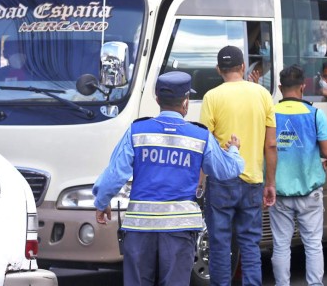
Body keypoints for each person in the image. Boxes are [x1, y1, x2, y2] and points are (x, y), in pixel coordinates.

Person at [92, 71, 245, 286]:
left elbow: (115, 173)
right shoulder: (200, 136)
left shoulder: (137, 131)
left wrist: (101, 201)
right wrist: (234, 151)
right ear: (185, 102)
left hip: (139, 229)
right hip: (179, 230)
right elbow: (228, 170)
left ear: (157, 99)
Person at [200, 45, 277, 286]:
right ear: (243, 67)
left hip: (221, 183)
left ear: (218, 70)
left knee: (220, 245)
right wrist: (270, 182)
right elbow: (271, 145)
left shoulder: (211, 97)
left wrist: (200, 183)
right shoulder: (263, 95)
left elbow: (205, 146)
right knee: (250, 245)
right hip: (253, 180)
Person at [270, 64, 327, 286]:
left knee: (280, 245)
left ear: (280, 87)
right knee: (313, 245)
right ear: (303, 87)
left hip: (279, 192)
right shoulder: (316, 114)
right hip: (310, 192)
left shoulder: (270, 115)